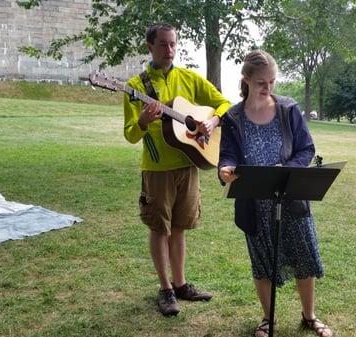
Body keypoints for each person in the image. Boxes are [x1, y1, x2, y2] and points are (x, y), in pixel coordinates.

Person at [218, 50, 333, 337]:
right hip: (253, 205)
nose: (267, 87)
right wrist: (225, 169)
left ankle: (309, 316)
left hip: (291, 197)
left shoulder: (288, 109)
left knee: (303, 256)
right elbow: (227, 154)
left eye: (271, 81)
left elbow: (306, 148)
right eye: (260, 82)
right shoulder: (233, 117)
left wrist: (286, 169)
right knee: (262, 264)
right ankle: (268, 320)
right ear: (246, 80)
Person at [123, 22, 231, 316]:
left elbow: (223, 104)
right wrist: (144, 120)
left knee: (180, 227)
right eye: (162, 44)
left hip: (189, 163)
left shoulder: (189, 78)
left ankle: (181, 284)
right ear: (149, 46)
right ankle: (165, 289)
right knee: (160, 227)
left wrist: (212, 122)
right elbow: (131, 134)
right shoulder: (135, 87)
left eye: (173, 44)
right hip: (157, 169)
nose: (169, 50)